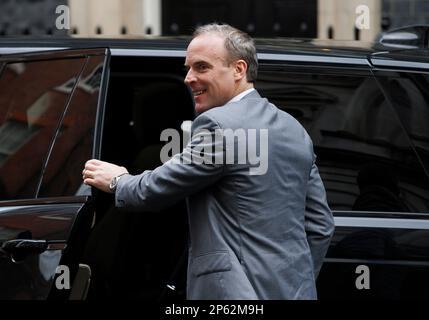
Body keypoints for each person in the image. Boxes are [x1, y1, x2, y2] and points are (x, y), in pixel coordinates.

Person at [82, 23, 334, 300]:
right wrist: (297, 283)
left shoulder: (218, 126)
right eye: (188, 68)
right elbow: (321, 226)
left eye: (201, 67)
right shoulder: (294, 129)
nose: (189, 78)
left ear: (239, 69)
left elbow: (154, 188)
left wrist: (118, 180)